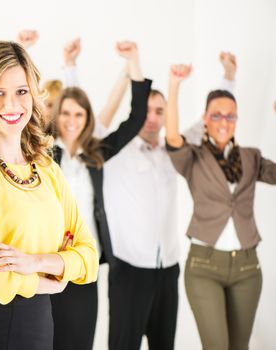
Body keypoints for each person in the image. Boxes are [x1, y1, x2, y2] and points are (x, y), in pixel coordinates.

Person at [0, 40, 99, 350]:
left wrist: (32, 262)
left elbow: (89, 258)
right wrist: (53, 279)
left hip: (40, 327)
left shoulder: (48, 170)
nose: (11, 105)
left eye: (21, 91)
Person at [101, 52, 237, 350]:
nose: (152, 118)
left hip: (168, 268)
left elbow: (211, 122)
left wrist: (228, 78)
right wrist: (129, 68)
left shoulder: (173, 148)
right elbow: (100, 122)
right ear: (137, 111)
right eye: (147, 110)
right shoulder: (115, 150)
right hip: (129, 269)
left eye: (159, 111)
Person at [165, 63, 276, 349]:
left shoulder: (251, 157)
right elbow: (172, 138)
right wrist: (174, 86)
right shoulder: (193, 157)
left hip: (248, 269)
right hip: (204, 266)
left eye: (230, 115)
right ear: (205, 119)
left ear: (237, 119)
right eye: (216, 115)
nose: (224, 121)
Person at [48, 41, 151, 350]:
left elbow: (135, 119)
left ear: (87, 118)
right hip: (46, 260)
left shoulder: (96, 153)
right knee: (45, 340)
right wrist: (69, 66)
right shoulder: (42, 153)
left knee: (80, 340)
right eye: (65, 113)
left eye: (78, 114)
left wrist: (134, 61)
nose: (71, 120)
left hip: (84, 261)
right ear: (56, 115)